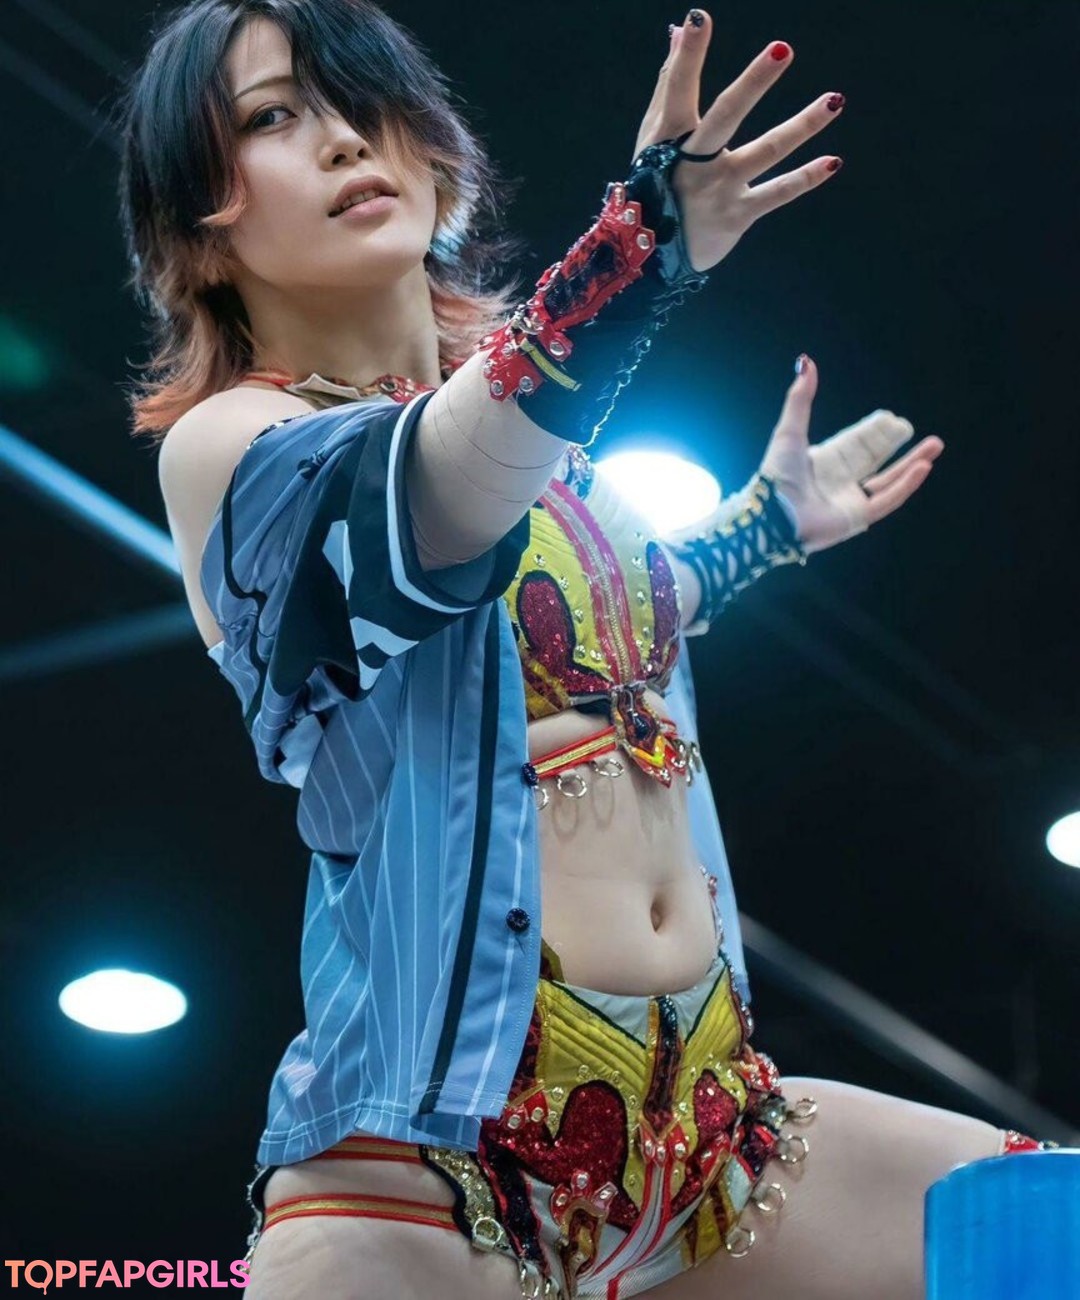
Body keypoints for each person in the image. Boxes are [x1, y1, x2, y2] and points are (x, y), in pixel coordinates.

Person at [116, 2, 1052, 1296]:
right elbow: (436, 505)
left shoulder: (551, 463)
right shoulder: (229, 446)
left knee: (1047, 1224)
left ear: (433, 149)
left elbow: (600, 616)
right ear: (196, 221)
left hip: (716, 1151)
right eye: (274, 116)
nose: (342, 139)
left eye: (363, 99)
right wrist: (640, 246)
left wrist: (763, 529)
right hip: (424, 1185)